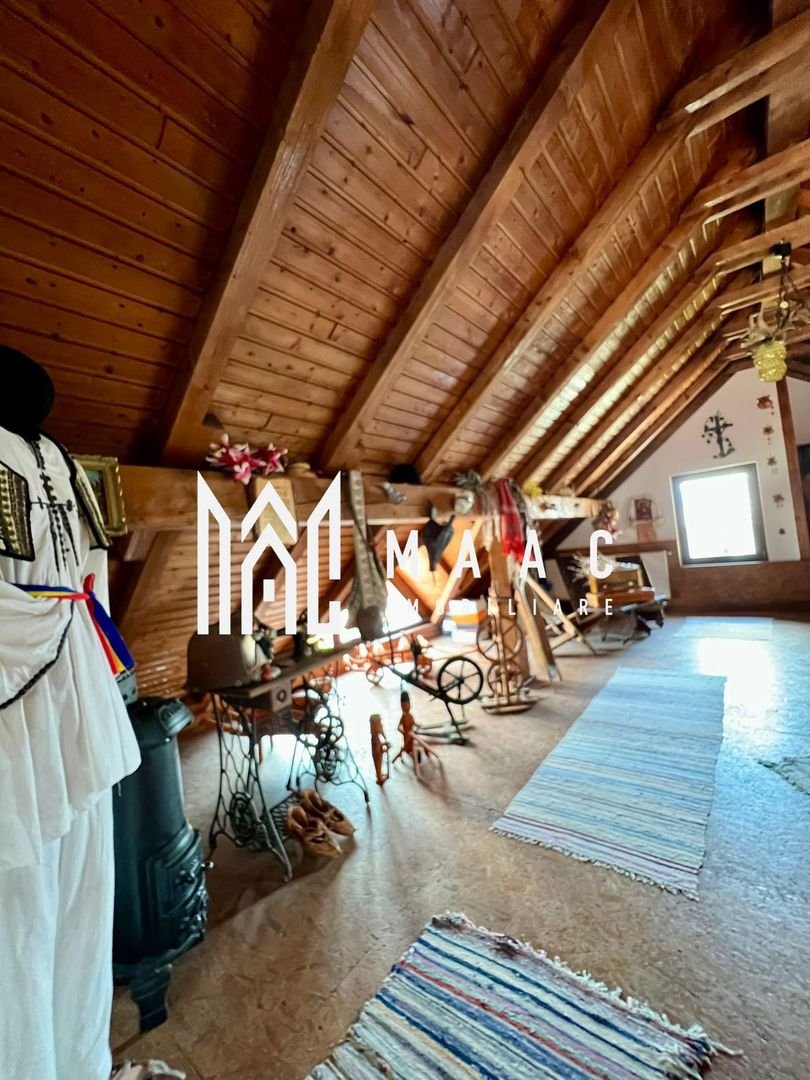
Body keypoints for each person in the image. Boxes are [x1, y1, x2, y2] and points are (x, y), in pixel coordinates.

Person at [0, 346, 141, 1080]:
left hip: (65, 692)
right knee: (26, 909)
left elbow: (90, 576)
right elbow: (82, 586)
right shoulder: (50, 460)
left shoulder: (61, 460)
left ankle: (74, 1061)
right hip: (25, 707)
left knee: (73, 895)